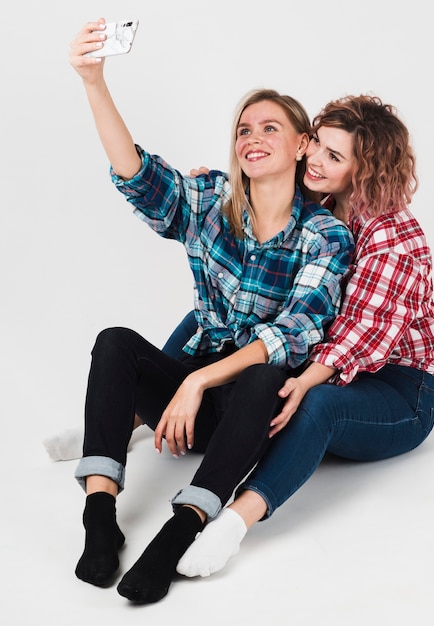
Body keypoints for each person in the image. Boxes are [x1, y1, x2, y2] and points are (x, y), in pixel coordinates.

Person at [69, 19, 354, 604]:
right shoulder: (210, 200)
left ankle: (182, 527)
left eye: (270, 127)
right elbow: (139, 177)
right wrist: (94, 81)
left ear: (302, 145)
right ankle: (99, 514)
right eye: (245, 128)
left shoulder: (324, 235)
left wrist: (199, 378)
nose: (253, 136)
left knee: (265, 372)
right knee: (115, 341)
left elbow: (295, 334)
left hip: (245, 413)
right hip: (188, 407)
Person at [173, 94, 434, 578]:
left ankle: (235, 523)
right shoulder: (318, 200)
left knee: (316, 402)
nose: (315, 160)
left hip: (397, 387)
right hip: (328, 352)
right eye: (318, 144)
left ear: (364, 172)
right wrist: (217, 189)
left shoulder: (393, 237)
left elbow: (358, 336)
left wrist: (301, 384)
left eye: (334, 157)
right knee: (216, 312)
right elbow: (259, 208)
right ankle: (140, 408)